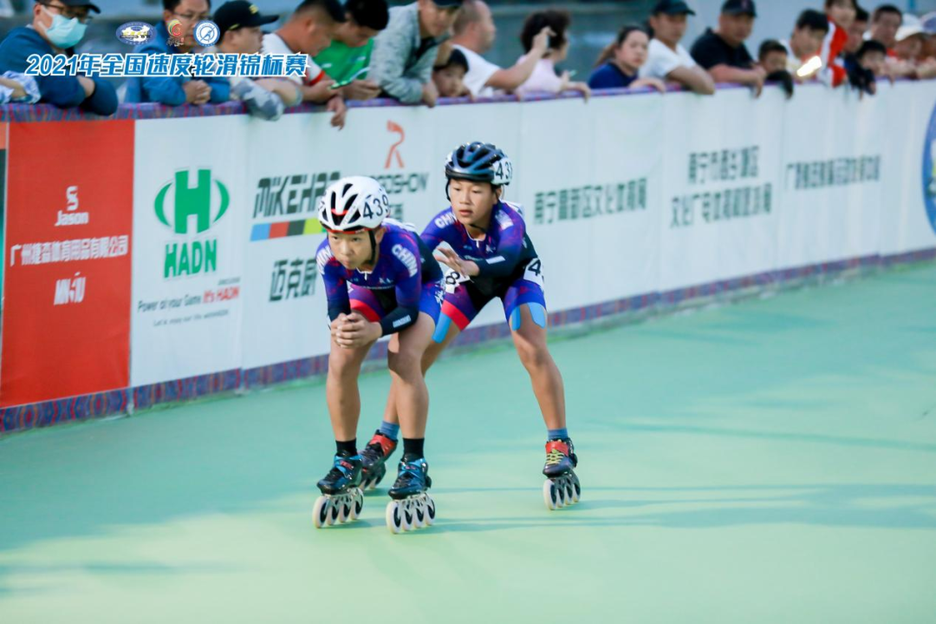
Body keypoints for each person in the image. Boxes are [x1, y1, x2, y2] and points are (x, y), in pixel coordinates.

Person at [370, 142, 582, 511]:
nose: (463, 198)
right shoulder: (444, 223)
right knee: (420, 351)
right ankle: (385, 438)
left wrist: (474, 267)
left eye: (476, 190)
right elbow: (416, 259)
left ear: (497, 193)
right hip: (467, 279)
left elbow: (509, 257)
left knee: (530, 346)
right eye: (456, 187)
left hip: (515, 277)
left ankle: (559, 442)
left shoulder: (508, 221)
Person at [313, 176, 444, 533]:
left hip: (420, 292)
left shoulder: (401, 249)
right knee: (340, 359)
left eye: (355, 239)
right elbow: (336, 307)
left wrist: (375, 330)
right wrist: (340, 327)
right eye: (335, 237)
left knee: (403, 358)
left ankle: (414, 463)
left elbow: (408, 311)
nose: (344, 249)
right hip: (371, 291)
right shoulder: (327, 256)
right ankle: (346, 460)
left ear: (378, 233)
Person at [0, 0, 117, 115]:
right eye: (67, 12)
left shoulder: (68, 54)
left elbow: (108, 102)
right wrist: (87, 86)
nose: (74, 22)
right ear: (38, 10)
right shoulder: (18, 45)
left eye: (81, 15)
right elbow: (65, 92)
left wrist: (85, 86)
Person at [206, 1, 301, 121]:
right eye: (255, 31)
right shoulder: (215, 66)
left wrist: (275, 85)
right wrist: (276, 87)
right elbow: (272, 110)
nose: (262, 37)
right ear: (231, 37)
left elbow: (296, 96)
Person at [124, 0, 231, 106]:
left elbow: (223, 87)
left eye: (203, 17)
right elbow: (161, 91)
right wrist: (185, 94)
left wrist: (206, 92)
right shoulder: (151, 47)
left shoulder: (186, 50)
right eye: (188, 16)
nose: (196, 25)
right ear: (168, 17)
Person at [262, 0, 349, 128]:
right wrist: (314, 93)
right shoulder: (264, 47)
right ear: (309, 24)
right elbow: (275, 86)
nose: (328, 44)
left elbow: (329, 85)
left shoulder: (302, 57)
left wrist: (335, 98)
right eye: (328, 35)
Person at [449, 0, 553, 98]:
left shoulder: (459, 53)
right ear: (474, 27)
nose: (494, 29)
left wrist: (499, 94)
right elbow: (513, 79)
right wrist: (537, 49)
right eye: (490, 21)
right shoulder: (463, 54)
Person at [369, 0, 463, 107]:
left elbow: (421, 79)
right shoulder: (399, 26)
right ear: (421, 3)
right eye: (438, 9)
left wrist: (454, 91)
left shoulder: (434, 30)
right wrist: (421, 91)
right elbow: (384, 81)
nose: (443, 18)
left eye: (451, 11)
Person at [313, 0, 389, 101]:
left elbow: (362, 79)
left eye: (370, 37)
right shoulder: (311, 42)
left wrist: (368, 90)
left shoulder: (369, 44)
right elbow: (297, 88)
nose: (364, 43)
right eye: (362, 35)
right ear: (347, 18)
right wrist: (342, 90)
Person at [690, 0, 765, 96]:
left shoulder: (738, 45)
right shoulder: (707, 44)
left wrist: (759, 71)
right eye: (737, 19)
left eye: (748, 21)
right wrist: (753, 76)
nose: (742, 26)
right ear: (721, 19)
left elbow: (753, 66)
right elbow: (718, 75)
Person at [640, 0, 715, 95]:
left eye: (682, 20)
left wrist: (685, 81)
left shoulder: (678, 48)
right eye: (671, 20)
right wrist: (689, 82)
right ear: (653, 22)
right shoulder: (655, 49)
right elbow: (705, 86)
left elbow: (709, 84)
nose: (678, 26)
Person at [515, 9, 590, 100]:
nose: (568, 43)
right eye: (566, 37)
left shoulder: (524, 62)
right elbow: (536, 82)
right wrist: (564, 84)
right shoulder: (535, 67)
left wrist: (566, 84)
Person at [589, 25, 666, 92]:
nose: (639, 52)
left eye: (644, 47)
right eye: (633, 46)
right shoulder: (604, 75)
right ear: (617, 49)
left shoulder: (635, 74)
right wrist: (635, 87)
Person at [781, 9, 829, 80]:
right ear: (796, 30)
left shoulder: (813, 63)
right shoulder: (776, 51)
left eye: (819, 37)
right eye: (811, 34)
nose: (813, 42)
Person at [821, 0, 857, 88]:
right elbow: (821, 68)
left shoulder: (840, 33)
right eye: (840, 6)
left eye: (851, 7)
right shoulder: (828, 29)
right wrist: (840, 74)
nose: (846, 12)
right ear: (827, 8)